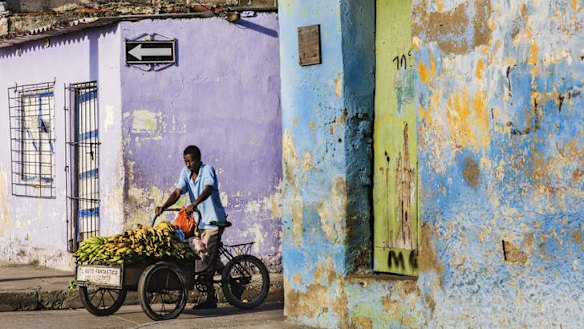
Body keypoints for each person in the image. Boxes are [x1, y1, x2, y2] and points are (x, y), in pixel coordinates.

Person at [155, 145, 227, 309]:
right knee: (203, 256)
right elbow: (177, 192)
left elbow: (209, 189)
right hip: (198, 222)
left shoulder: (207, 170)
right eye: (185, 161)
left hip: (213, 222)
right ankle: (228, 280)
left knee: (205, 257)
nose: (188, 164)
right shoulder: (185, 173)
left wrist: (195, 203)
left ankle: (210, 299)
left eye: (191, 161)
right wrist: (163, 207)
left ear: (198, 159)